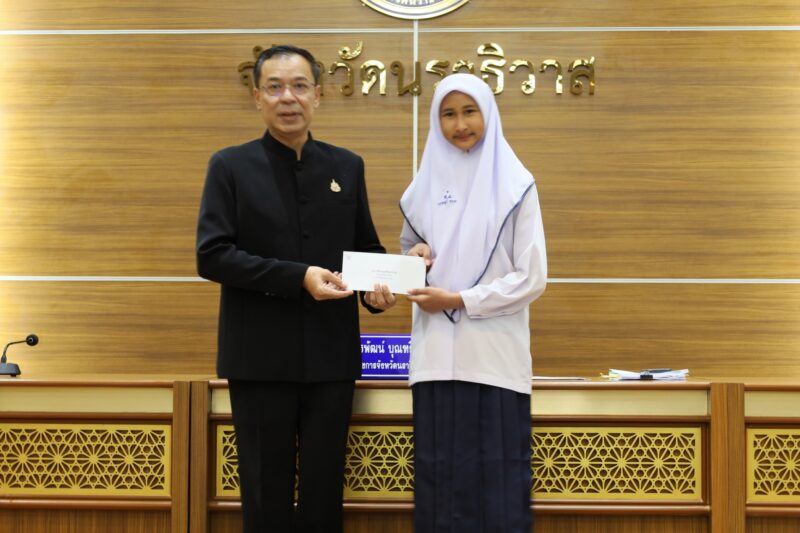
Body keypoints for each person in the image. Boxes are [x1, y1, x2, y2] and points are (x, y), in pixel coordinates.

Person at [196, 44, 395, 533]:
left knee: (325, 495)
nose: (289, 98)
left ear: (318, 95)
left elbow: (365, 247)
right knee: (266, 495)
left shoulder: (347, 166)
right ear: (257, 97)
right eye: (275, 87)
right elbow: (213, 255)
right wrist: (298, 277)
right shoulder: (230, 166)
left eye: (300, 86)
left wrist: (378, 288)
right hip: (259, 360)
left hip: (332, 358)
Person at [399, 73, 547, 532]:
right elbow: (411, 257)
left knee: (497, 493)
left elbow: (531, 278)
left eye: (469, 112)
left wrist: (461, 299)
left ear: (489, 114)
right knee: (438, 490)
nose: (459, 124)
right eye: (448, 114)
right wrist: (415, 258)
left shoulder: (517, 185)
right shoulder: (421, 189)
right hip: (434, 362)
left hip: (493, 362)